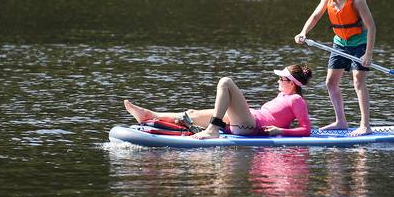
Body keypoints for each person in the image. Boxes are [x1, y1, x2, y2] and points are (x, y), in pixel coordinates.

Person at [123, 64, 313, 139]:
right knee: (191, 114)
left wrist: (281, 131)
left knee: (225, 82)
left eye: (282, 79)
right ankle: (149, 115)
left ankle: (213, 129)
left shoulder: (296, 100)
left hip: (250, 126)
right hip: (240, 122)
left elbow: (306, 130)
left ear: (293, 84)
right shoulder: (283, 96)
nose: (278, 81)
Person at [294, 0, 376, 136]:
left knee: (358, 81)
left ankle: (365, 125)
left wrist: (368, 54)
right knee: (330, 82)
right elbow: (316, 15)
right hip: (339, 43)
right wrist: (303, 32)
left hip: (359, 43)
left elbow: (372, 27)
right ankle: (341, 121)